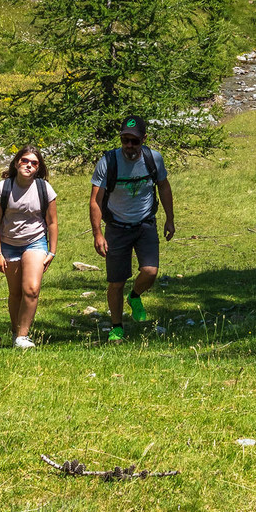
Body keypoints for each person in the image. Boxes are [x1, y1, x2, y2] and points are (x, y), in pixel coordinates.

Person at [89, 114, 174, 344]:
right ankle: (117, 327)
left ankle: (135, 296)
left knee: (150, 272)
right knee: (116, 282)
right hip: (117, 227)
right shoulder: (108, 162)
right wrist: (98, 233)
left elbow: (164, 187)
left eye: (134, 141)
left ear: (143, 139)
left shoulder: (153, 159)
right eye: (125, 140)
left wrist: (170, 218)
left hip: (145, 224)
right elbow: (96, 200)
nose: (129, 145)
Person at [0, 144, 58, 349]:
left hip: (36, 241)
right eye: (25, 160)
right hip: (9, 244)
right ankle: (15, 331)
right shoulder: (3, 187)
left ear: (39, 168)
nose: (28, 165)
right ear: (17, 162)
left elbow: (52, 222)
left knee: (32, 289)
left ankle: (22, 336)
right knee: (15, 293)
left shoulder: (44, 188)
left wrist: (52, 251)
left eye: (34, 163)